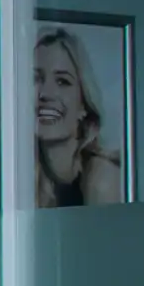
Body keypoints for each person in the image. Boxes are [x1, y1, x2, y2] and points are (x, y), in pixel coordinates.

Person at [33, 23, 126, 207]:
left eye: (62, 81)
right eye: (36, 79)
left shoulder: (102, 179)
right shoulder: (19, 175)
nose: (45, 93)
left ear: (83, 105)